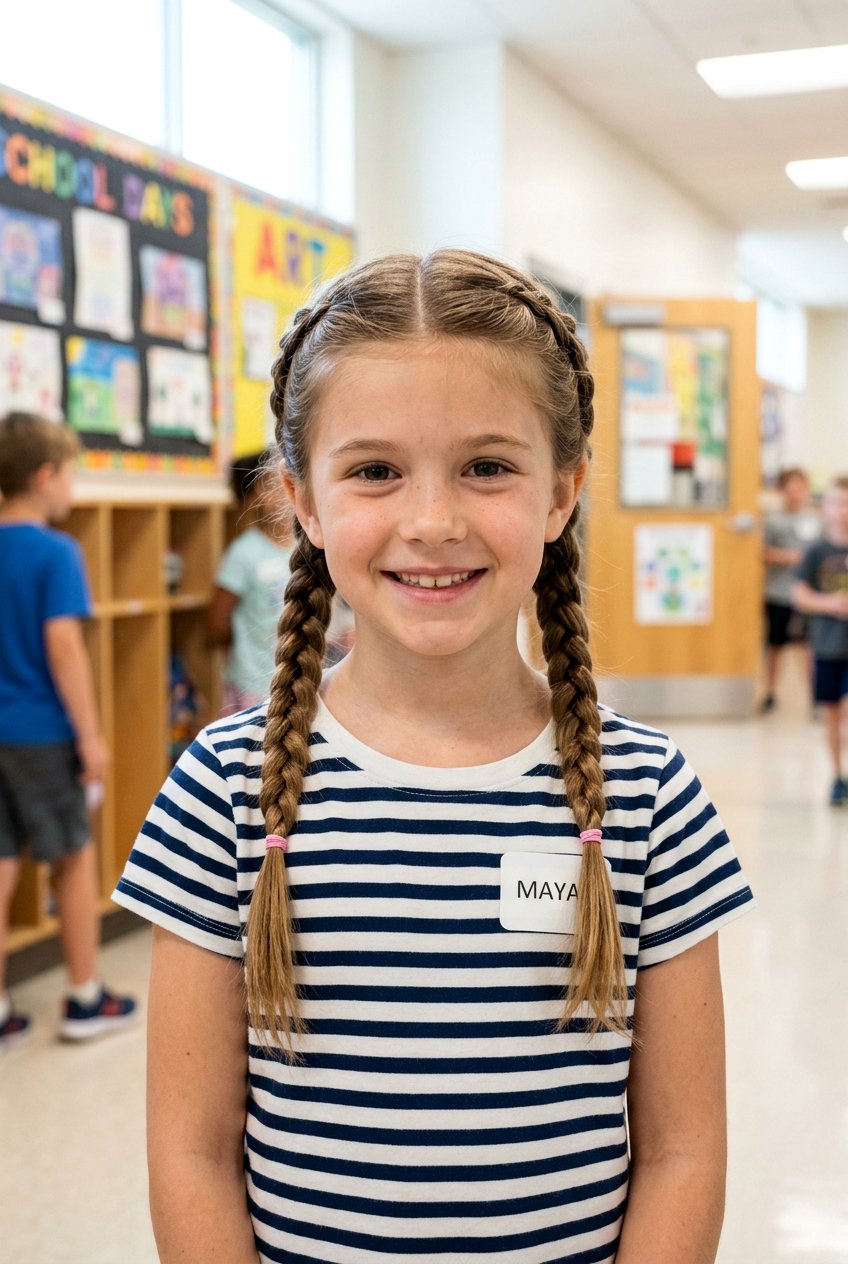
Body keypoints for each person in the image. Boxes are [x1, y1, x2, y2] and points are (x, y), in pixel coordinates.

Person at [114, 251, 754, 1264]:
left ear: (563, 492)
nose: (432, 523)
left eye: (486, 467)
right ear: (302, 501)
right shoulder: (222, 789)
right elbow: (190, 1155)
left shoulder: (647, 795)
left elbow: (684, 1152)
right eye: (375, 470)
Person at [0, 411, 135, 1046]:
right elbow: (63, 647)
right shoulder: (57, 552)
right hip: (43, 733)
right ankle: (84, 996)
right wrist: (90, 736)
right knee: (73, 860)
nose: (72, 488)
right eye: (70, 474)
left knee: (1, 863)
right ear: (44, 476)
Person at [206, 450, 295, 714]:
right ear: (256, 496)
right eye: (273, 485)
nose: (285, 491)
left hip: (300, 681)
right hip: (254, 686)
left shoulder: (307, 548)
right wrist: (244, 651)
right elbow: (216, 622)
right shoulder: (244, 553)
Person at [792, 475, 848, 806]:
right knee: (832, 714)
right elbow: (800, 596)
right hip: (828, 646)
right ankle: (838, 776)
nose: (843, 511)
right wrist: (832, 604)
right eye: (837, 503)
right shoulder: (816, 551)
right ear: (825, 508)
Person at [761, 467, 820, 712]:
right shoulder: (773, 521)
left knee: (808, 648)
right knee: (776, 645)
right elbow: (762, 552)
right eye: (791, 487)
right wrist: (788, 557)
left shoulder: (816, 520)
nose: (796, 492)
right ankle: (770, 693)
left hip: (808, 596)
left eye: (801, 487)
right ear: (783, 490)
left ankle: (815, 698)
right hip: (778, 592)